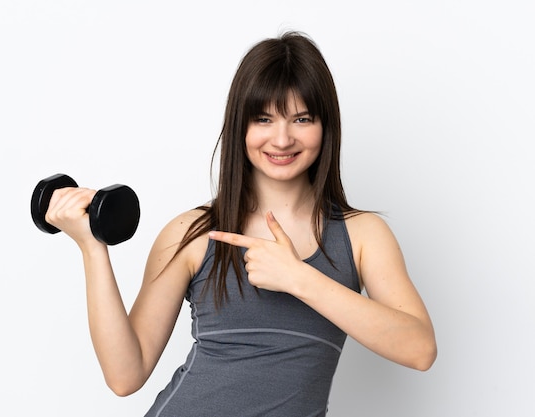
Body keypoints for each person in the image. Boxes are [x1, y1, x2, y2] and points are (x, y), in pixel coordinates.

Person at [45, 31, 437, 416]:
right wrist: (92, 247)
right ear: (240, 127)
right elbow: (125, 376)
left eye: (301, 118)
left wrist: (298, 278)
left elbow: (419, 349)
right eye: (263, 118)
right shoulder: (192, 233)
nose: (281, 139)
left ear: (325, 126)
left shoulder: (362, 235)